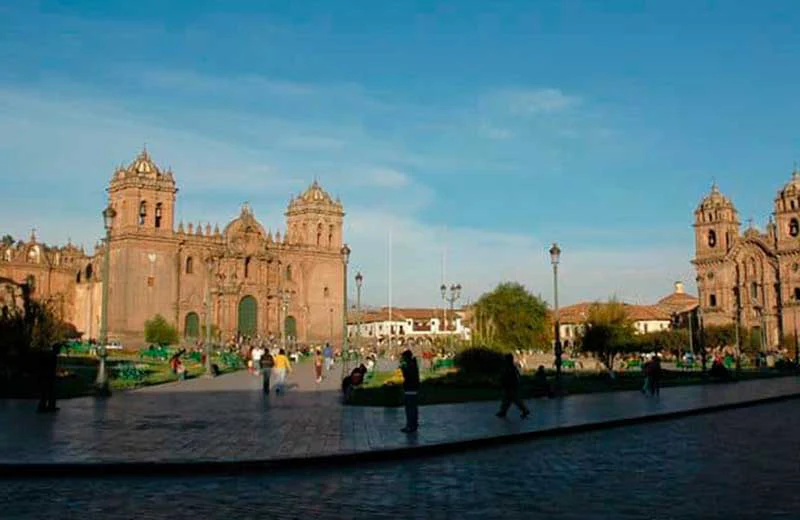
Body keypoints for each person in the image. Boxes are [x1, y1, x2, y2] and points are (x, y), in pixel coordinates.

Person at [496, 354, 530, 419]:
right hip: (511, 386)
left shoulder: (509, 368)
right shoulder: (512, 367)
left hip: (510, 386)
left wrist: (502, 382)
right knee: (507, 400)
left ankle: (524, 410)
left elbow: (506, 377)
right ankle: (503, 411)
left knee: (512, 399)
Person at [37, 342, 62, 413]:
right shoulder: (52, 356)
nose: (60, 350)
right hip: (48, 376)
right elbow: (50, 367)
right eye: (59, 349)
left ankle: (48, 406)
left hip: (47, 376)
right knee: (47, 392)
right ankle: (45, 407)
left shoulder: (51, 354)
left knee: (49, 392)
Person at [400, 349, 420, 433]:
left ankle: (410, 426)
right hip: (413, 388)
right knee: (413, 408)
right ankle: (413, 425)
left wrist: (403, 369)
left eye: (403, 357)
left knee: (410, 409)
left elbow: (409, 376)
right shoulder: (413, 364)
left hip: (410, 389)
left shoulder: (410, 365)